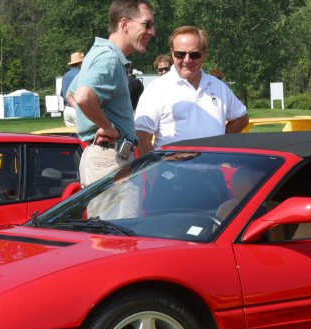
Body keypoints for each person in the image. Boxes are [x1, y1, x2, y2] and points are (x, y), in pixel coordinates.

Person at [68, 0, 156, 199]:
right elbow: (82, 97)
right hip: (110, 159)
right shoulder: (109, 58)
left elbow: (72, 94)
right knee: (120, 227)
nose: (152, 32)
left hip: (106, 157)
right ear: (125, 24)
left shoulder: (100, 53)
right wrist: (106, 127)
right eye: (147, 24)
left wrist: (95, 122)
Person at [134, 25, 248, 153]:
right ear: (172, 53)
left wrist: (221, 143)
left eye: (194, 55)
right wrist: (157, 169)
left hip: (214, 169)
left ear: (204, 54)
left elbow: (241, 117)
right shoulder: (156, 89)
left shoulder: (218, 86)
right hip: (173, 171)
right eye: (180, 54)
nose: (187, 60)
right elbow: (141, 137)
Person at [61, 52, 84, 127]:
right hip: (76, 108)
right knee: (82, 136)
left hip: (67, 110)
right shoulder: (81, 74)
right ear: (80, 63)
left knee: (70, 137)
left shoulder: (65, 75)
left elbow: (62, 94)